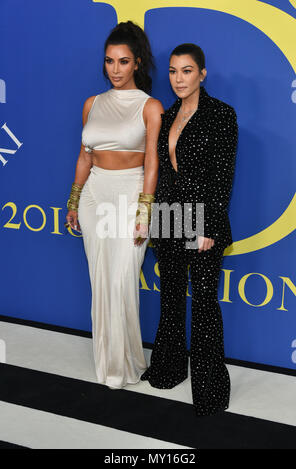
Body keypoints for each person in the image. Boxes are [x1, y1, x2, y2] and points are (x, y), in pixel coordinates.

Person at [65, 21, 164, 389]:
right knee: (101, 280)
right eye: (109, 61)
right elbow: (84, 156)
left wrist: (144, 211)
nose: (115, 70)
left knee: (122, 279)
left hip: (129, 195)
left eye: (123, 62)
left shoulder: (150, 106)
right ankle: (108, 361)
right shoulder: (92, 103)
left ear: (137, 63)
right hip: (94, 196)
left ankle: (128, 361)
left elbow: (152, 161)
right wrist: (74, 199)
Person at [141, 43, 238, 416]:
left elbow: (222, 176)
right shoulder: (166, 117)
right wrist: (154, 218)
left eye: (186, 71)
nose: (178, 79)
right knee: (170, 297)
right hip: (169, 214)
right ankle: (167, 370)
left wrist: (209, 226)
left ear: (202, 74)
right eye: (172, 71)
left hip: (202, 217)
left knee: (203, 303)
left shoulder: (221, 115)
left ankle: (210, 389)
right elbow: (164, 173)